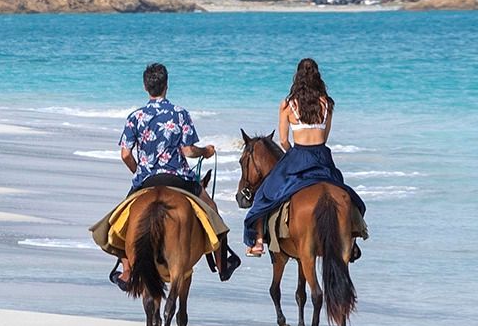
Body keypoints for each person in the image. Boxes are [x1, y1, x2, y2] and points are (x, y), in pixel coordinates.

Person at [117, 62, 239, 281]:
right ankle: (222, 263)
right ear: (166, 85)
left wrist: (140, 172)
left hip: (146, 179)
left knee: (120, 223)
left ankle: (126, 269)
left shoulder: (135, 117)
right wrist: (206, 151)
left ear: (146, 87)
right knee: (213, 211)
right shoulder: (180, 114)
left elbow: (125, 154)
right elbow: (188, 150)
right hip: (179, 178)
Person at [242, 57, 366, 258]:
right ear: (318, 77)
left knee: (265, 193)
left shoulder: (288, 105)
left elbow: (283, 141)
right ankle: (350, 242)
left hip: (298, 156)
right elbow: (324, 137)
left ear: (297, 77)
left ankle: (257, 242)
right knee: (345, 194)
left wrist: (292, 152)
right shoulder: (327, 104)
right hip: (322, 158)